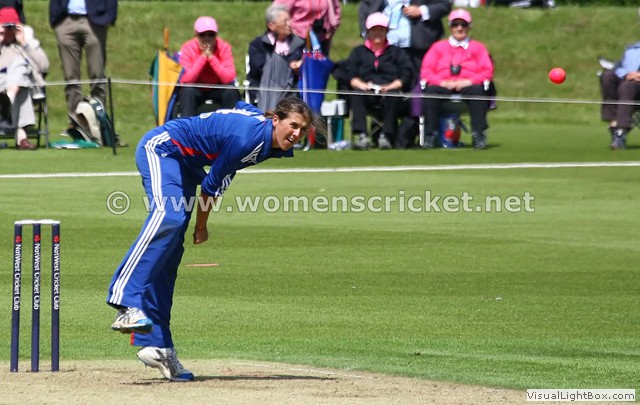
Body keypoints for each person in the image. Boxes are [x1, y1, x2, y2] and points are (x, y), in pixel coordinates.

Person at [106, 97, 314, 382]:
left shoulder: (263, 131)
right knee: (169, 217)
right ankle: (124, 299)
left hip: (187, 163)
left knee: (169, 250)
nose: (297, 134)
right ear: (276, 119)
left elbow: (242, 106)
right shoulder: (247, 140)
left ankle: (157, 345)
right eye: (293, 125)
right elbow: (211, 188)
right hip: (164, 148)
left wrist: (227, 121)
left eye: (303, 129)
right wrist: (201, 227)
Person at [420, 9, 493, 149]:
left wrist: (468, 81)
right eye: (455, 24)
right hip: (443, 84)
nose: (459, 28)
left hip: (468, 84)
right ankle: (430, 135)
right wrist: (441, 82)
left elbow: (487, 71)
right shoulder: (437, 47)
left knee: (478, 91)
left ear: (469, 27)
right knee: (430, 91)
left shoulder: (478, 48)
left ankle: (478, 135)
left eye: (463, 25)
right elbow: (426, 71)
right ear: (450, 27)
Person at [339, 12, 413, 150]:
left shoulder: (396, 52)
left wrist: (391, 86)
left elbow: (406, 73)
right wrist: (362, 85)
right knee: (356, 94)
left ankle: (386, 135)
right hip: (366, 91)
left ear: (386, 31)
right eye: (374, 30)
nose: (377, 33)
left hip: (389, 91)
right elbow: (349, 73)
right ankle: (361, 135)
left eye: (381, 30)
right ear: (368, 32)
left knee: (393, 95)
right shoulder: (358, 52)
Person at [49, 0, 117, 127]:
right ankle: (75, 123)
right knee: (71, 78)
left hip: (95, 21)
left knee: (97, 75)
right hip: (66, 20)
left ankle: (99, 122)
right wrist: (56, 20)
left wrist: (109, 17)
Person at [358, 0, 451, 80]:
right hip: (383, 47)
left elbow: (444, 5)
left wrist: (421, 10)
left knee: (415, 83)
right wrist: (366, 33)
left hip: (417, 47)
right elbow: (365, 7)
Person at [0, 7, 49, 150]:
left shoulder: (29, 44)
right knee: (21, 84)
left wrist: (24, 44)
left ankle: (8, 99)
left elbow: (44, 66)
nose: (9, 32)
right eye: (6, 28)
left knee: (20, 65)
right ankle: (21, 138)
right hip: (3, 83)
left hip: (30, 86)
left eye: (12, 28)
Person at [178, 16, 241, 118]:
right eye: (202, 35)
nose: (207, 39)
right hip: (196, 87)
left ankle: (230, 124)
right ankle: (186, 124)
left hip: (218, 87)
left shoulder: (224, 48)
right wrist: (203, 57)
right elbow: (186, 79)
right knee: (187, 90)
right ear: (196, 35)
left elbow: (228, 78)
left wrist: (211, 58)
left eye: (211, 35)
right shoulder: (188, 48)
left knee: (231, 91)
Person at [247, 4, 305, 112]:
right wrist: (288, 64)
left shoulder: (299, 44)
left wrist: (298, 64)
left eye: (290, 20)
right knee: (272, 63)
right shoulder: (258, 45)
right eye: (285, 21)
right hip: (264, 90)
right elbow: (258, 70)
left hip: (292, 91)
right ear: (271, 26)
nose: (290, 24)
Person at [600, 41, 640, 150]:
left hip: (634, 89)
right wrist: (626, 74)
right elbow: (621, 67)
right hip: (627, 83)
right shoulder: (632, 49)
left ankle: (621, 131)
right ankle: (614, 123)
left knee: (627, 87)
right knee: (607, 76)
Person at [272, 0, 341, 56]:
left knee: (320, 67)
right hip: (296, 38)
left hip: (322, 38)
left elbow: (336, 9)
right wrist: (287, 29)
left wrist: (331, 29)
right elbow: (276, 12)